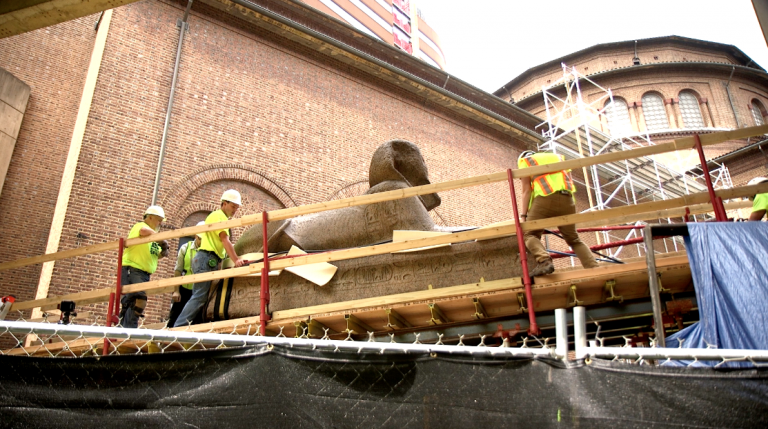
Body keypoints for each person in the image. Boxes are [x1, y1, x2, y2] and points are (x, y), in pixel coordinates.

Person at [517, 150, 598, 276]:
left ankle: (544, 261)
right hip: (568, 200)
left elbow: (526, 191)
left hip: (545, 197)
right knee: (574, 239)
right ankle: (594, 268)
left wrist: (523, 215)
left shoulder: (525, 161)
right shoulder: (558, 157)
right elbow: (569, 181)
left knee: (529, 235)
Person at [173, 190, 246, 327]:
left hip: (207, 259)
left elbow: (221, 244)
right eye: (233, 206)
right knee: (199, 296)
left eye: (237, 207)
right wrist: (236, 259)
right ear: (224, 203)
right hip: (205, 259)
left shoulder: (219, 217)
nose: (235, 210)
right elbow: (224, 239)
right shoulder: (218, 216)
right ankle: (179, 327)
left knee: (201, 295)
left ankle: (187, 325)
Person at [119, 205, 169, 328]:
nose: (160, 223)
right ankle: (129, 328)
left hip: (143, 273)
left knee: (133, 301)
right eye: (158, 220)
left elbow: (155, 255)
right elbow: (143, 231)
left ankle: (123, 326)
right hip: (133, 268)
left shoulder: (153, 238)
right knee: (138, 299)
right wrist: (161, 240)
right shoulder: (140, 226)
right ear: (150, 217)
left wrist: (163, 251)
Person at [167, 221, 205, 327]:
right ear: (195, 235)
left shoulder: (208, 250)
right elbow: (178, 270)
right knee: (175, 316)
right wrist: (176, 291)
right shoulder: (185, 248)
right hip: (185, 288)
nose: (201, 241)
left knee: (196, 319)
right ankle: (167, 340)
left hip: (199, 290)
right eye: (200, 238)